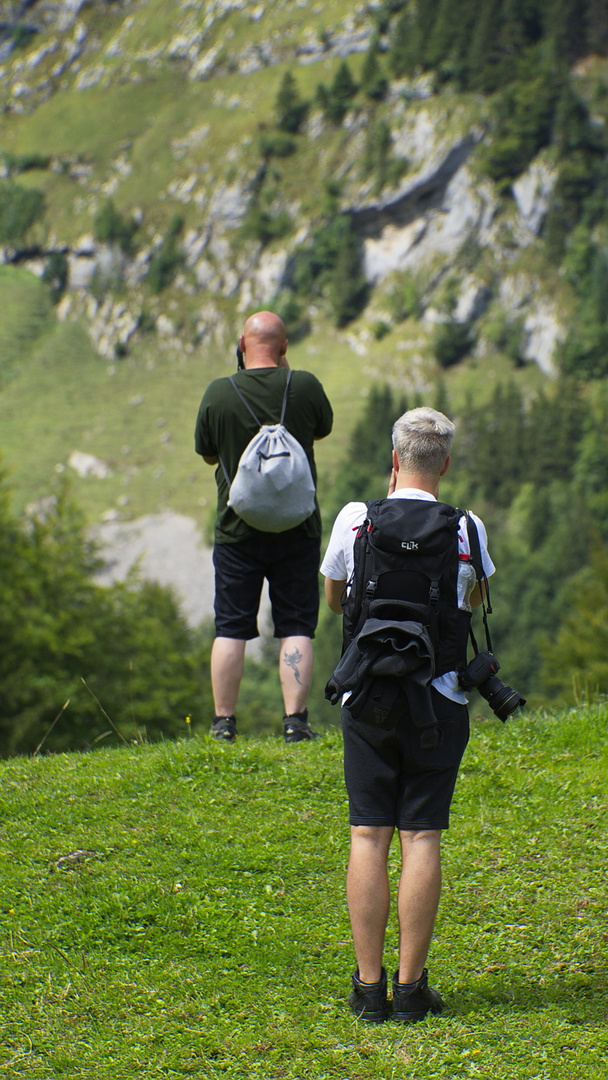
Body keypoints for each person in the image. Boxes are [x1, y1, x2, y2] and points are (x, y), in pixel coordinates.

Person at [321, 406, 495, 1023]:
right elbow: (473, 603)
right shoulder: (467, 529)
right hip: (439, 700)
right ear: (444, 464)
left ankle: (368, 990)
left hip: (367, 698)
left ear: (393, 459)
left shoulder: (355, 519)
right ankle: (410, 989)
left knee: (368, 833)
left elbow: (335, 596)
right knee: (422, 836)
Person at [195, 311, 333, 744]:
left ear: (241, 344)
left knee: (231, 627)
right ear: (284, 347)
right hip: (298, 529)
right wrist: (287, 375)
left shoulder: (219, 393)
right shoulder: (304, 385)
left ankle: (223, 725)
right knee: (296, 626)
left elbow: (207, 455)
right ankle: (295, 722)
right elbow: (322, 429)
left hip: (238, 531)